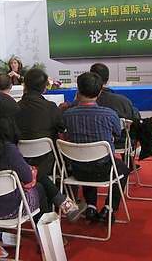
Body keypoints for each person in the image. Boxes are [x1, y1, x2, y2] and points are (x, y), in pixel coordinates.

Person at [0, 92, 84, 224]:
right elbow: (27, 178)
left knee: (37, 174)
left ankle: (66, 204)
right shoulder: (6, 148)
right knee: (40, 185)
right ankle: (46, 233)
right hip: (7, 208)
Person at [63, 72, 129, 224]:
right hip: (105, 171)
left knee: (85, 155)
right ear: (100, 92)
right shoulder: (109, 114)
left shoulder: (67, 115)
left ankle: (91, 206)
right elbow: (118, 134)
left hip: (77, 170)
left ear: (78, 91)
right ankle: (109, 208)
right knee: (124, 169)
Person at [16, 68, 65, 176]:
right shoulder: (51, 107)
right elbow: (62, 128)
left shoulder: (15, 108)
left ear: (25, 86)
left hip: (21, 165)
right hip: (48, 164)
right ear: (44, 88)